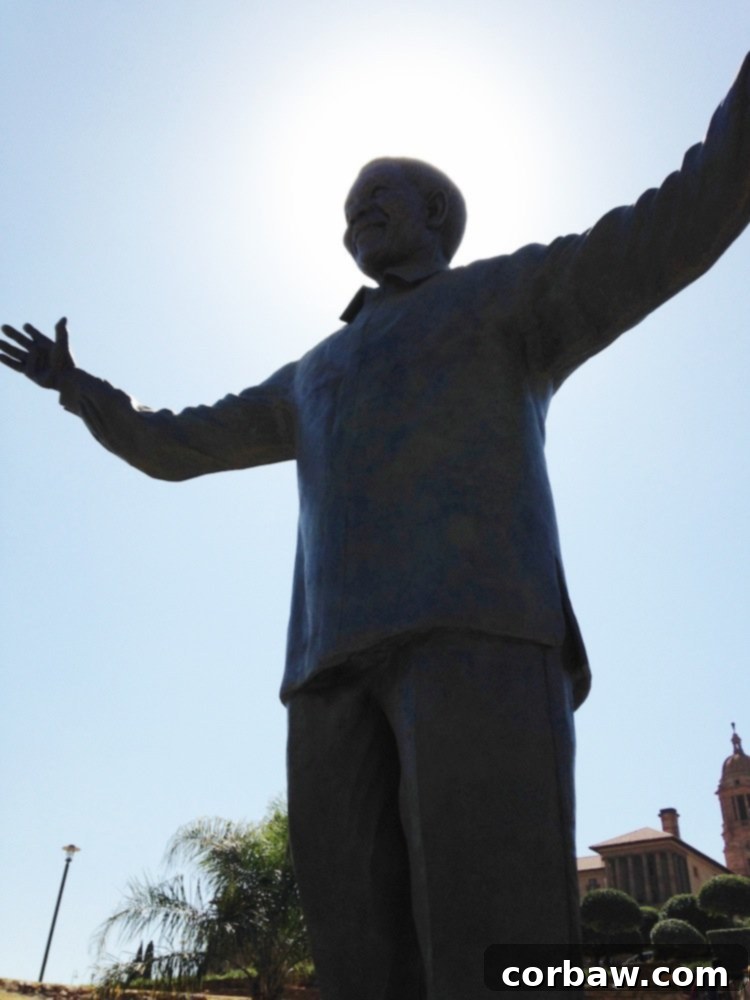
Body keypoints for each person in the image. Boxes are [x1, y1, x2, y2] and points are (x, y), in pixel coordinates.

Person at [3, 53, 750, 1000]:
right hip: (326, 670)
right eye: (348, 202)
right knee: (357, 952)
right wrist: (83, 393)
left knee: (493, 937)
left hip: (475, 636)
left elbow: (685, 213)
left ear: (437, 215)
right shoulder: (312, 374)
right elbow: (177, 443)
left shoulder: (509, 297)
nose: (356, 210)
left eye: (378, 193)